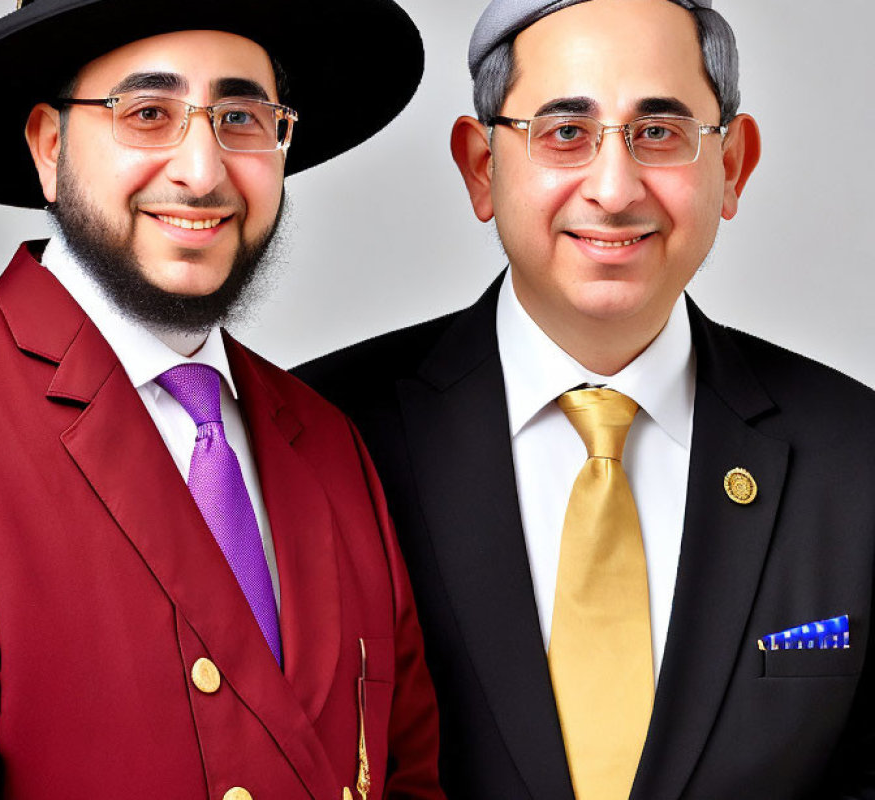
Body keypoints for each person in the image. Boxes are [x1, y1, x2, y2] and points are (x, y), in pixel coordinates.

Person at [296, 0, 875, 798]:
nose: (613, 187)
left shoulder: (857, 455)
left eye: (660, 133)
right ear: (480, 167)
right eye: (565, 132)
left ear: (732, 165)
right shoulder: (321, 438)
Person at [0, 1, 445, 798]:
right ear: (49, 146)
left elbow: (410, 775)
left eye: (241, 116)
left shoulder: (327, 441)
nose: (202, 172)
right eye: (148, 113)